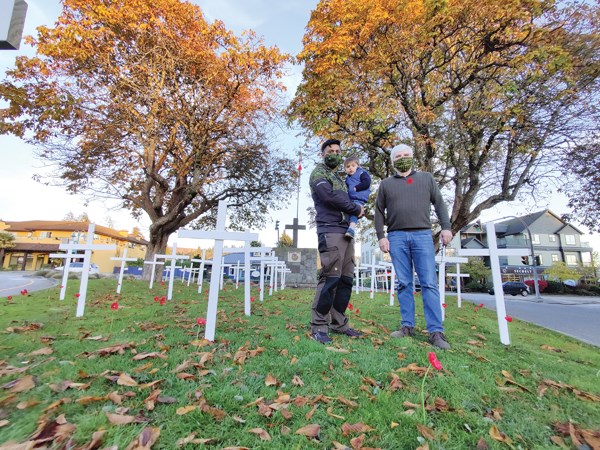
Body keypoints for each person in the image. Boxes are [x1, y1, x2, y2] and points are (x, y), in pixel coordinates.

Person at [374, 144, 453, 349]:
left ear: (412, 157)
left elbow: (439, 203)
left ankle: (436, 331)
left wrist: (446, 227)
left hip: (422, 235)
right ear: (392, 161)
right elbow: (379, 212)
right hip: (396, 236)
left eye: (405, 155)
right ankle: (407, 325)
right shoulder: (385, 184)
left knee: (428, 283)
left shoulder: (426, 179)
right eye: (398, 156)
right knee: (404, 283)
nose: (402, 158)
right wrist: (381, 236)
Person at [309, 139, 365, 344]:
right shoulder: (319, 174)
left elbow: (351, 198)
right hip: (330, 230)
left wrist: (358, 207)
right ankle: (318, 326)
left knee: (345, 280)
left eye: (338, 151)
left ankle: (339, 323)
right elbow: (329, 197)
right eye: (330, 151)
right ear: (323, 154)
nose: (334, 153)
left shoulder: (340, 178)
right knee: (330, 277)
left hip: (347, 232)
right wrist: (355, 208)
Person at [343, 156, 372, 240]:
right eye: (348, 167)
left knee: (354, 212)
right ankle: (348, 229)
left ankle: (352, 229)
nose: (350, 168)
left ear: (358, 166)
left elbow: (367, 182)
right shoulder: (347, 178)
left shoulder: (361, 173)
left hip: (359, 198)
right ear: (345, 169)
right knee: (347, 213)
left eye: (353, 165)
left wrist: (357, 188)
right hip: (350, 199)